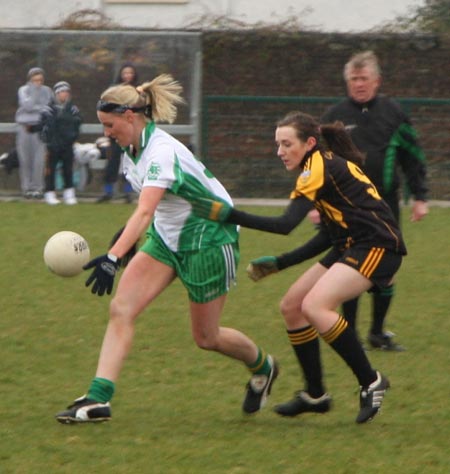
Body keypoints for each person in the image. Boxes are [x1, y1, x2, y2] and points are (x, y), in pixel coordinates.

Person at [55, 74, 278, 424]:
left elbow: (145, 209)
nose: (106, 133)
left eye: (110, 125)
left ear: (131, 116)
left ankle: (264, 365)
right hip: (166, 236)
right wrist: (121, 244)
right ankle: (99, 399)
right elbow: (153, 208)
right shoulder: (131, 150)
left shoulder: (161, 152)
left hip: (209, 238)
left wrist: (114, 258)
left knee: (207, 337)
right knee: (122, 308)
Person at [192, 111, 407, 423]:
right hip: (352, 244)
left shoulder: (316, 169)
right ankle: (316, 395)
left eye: (286, 144)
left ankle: (371, 381)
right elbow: (329, 237)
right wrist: (281, 263)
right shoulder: (321, 164)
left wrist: (227, 214)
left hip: (378, 245)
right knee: (293, 306)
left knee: (316, 306)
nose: (280, 151)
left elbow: (285, 224)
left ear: (309, 143)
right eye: (278, 144)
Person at [320, 50, 428, 351]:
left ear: (376, 81)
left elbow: (413, 157)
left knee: (386, 270)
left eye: (364, 78)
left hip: (385, 206)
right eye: (353, 79)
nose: (359, 84)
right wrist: (314, 201)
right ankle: (349, 332)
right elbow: (316, 162)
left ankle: (378, 333)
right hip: (346, 207)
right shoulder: (333, 117)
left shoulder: (394, 114)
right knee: (349, 266)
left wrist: (420, 197)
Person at [97, 62, 139, 203]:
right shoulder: (113, 91)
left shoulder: (138, 91)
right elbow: (106, 109)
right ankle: (108, 192)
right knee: (113, 161)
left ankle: (128, 192)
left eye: (130, 73)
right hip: (116, 131)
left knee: (131, 161)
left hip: (132, 132)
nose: (127, 75)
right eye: (125, 73)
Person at [40, 81, 82, 205]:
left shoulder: (73, 109)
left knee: (68, 169)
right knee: (50, 170)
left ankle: (69, 194)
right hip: (53, 145)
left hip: (68, 145)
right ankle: (49, 193)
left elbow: (77, 124)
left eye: (66, 92)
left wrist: (71, 137)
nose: (64, 95)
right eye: (61, 92)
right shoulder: (48, 109)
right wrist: (49, 140)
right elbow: (45, 126)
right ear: (56, 94)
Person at [15, 67, 54, 199]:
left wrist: (38, 108)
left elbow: (48, 109)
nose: (38, 82)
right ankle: (27, 188)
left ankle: (38, 188)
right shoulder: (23, 90)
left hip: (39, 127)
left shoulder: (47, 91)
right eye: (34, 80)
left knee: (39, 160)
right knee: (25, 159)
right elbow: (27, 106)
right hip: (24, 127)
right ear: (30, 80)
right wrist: (34, 93)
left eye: (40, 80)